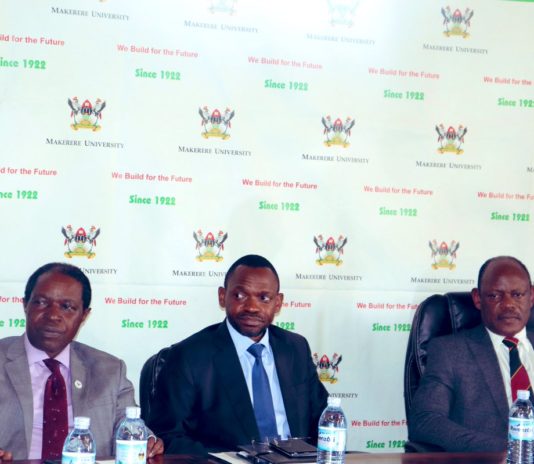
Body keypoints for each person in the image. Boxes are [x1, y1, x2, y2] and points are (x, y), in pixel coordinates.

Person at [146, 254, 329, 455]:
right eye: (240, 296)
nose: (252, 307)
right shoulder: (189, 356)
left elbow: (325, 420)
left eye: (264, 298)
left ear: (278, 303)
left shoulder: (295, 348)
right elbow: (168, 436)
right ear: (222, 296)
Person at [0, 262, 164, 460]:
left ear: (84, 315)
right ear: (25, 305)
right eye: (41, 303)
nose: (53, 315)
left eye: (67, 307)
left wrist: (148, 441)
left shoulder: (110, 370)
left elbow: (127, 425)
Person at [409, 256, 534, 451]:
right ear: (477, 298)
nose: (509, 304)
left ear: (531, 296)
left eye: (517, 294)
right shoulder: (450, 352)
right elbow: (425, 421)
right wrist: (511, 449)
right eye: (495, 296)